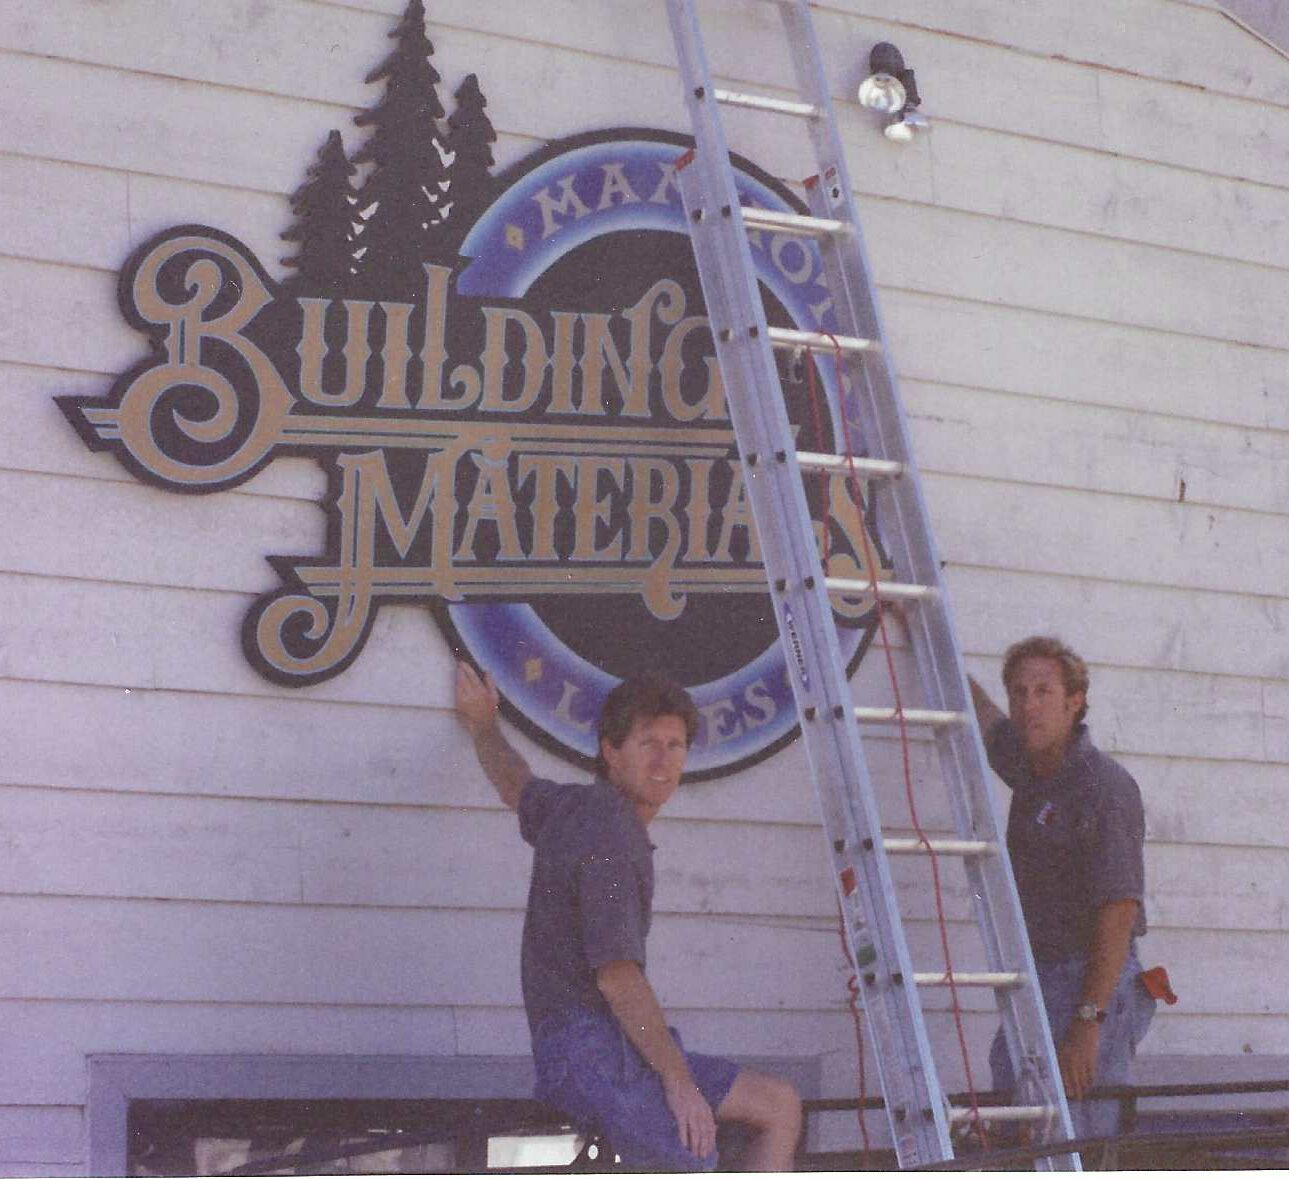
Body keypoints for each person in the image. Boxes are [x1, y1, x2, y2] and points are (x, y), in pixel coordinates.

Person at [454, 662, 803, 1171]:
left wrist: (484, 726)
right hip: (587, 1051)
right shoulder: (611, 838)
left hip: (613, 1044)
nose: (663, 761)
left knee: (778, 1105)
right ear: (611, 751)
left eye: (675, 745)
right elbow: (617, 977)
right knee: (693, 1156)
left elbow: (515, 784)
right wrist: (679, 1083)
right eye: (648, 744)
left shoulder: (576, 807)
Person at [968, 636, 1156, 1147]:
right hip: (1036, 978)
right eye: (1019, 692)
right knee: (1018, 1119)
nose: (1029, 705)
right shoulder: (1033, 768)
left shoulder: (1104, 788)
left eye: (1044, 692)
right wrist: (921, 636)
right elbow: (986, 723)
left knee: (1078, 1138)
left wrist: (1088, 1022)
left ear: (1075, 702)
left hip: (1090, 984)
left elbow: (1119, 912)